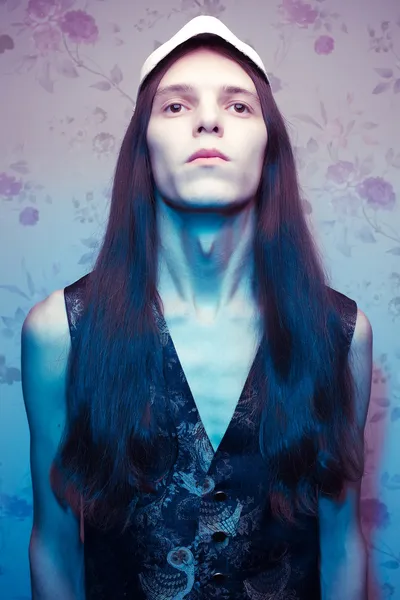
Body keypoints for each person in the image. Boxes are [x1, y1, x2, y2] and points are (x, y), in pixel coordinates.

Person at [21, 15, 373, 600]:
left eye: (239, 107)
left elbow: (342, 543)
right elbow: (54, 544)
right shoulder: (59, 333)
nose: (208, 119)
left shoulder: (342, 334)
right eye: (176, 106)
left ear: (270, 150)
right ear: (143, 149)